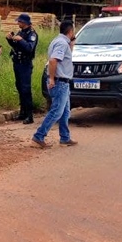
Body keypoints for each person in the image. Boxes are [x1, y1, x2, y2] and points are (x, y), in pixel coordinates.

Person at [31, 20, 77, 149]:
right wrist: (52, 79)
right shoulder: (62, 43)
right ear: (70, 31)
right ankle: (38, 136)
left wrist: (71, 45)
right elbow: (53, 61)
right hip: (59, 81)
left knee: (65, 111)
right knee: (57, 111)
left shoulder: (60, 41)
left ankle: (65, 137)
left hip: (63, 82)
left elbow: (64, 59)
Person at [6, 12, 39, 124]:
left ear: (24, 22)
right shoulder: (21, 32)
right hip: (17, 63)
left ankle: (30, 116)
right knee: (19, 88)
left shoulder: (32, 34)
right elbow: (16, 46)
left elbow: (29, 48)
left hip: (25, 64)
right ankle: (22, 113)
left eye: (19, 21)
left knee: (26, 89)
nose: (18, 23)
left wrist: (21, 40)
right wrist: (10, 40)